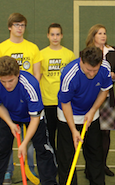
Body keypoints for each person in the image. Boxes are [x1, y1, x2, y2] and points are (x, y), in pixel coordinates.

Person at [0, 56, 59, 185]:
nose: (7, 85)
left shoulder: (30, 84)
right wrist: (10, 123)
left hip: (32, 116)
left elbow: (35, 118)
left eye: (11, 81)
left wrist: (24, 143)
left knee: (43, 148)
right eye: (3, 81)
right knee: (0, 149)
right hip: (10, 114)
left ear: (18, 75)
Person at [57, 47, 114, 185]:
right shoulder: (69, 74)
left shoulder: (104, 68)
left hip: (91, 113)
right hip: (68, 115)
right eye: (89, 70)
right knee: (67, 155)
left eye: (95, 70)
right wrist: (73, 129)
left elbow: (105, 90)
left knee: (95, 150)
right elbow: (65, 103)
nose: (92, 73)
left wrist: (93, 110)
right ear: (81, 61)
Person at [0, 13, 42, 185]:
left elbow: (36, 74)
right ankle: (7, 172)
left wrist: (28, 94)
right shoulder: (0, 48)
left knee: (30, 141)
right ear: (10, 27)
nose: (20, 28)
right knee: (6, 139)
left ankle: (30, 170)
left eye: (23, 25)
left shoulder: (32, 47)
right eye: (16, 25)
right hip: (8, 103)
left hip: (26, 99)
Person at [86, 24, 115, 177]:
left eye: (105, 33)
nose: (103, 36)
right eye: (100, 33)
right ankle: (90, 167)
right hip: (90, 99)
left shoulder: (112, 52)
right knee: (91, 133)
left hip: (107, 98)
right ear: (93, 36)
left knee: (105, 133)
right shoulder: (86, 53)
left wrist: (114, 76)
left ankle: (103, 165)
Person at [39, 22, 75, 157]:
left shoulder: (69, 54)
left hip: (64, 103)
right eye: (52, 34)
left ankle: (63, 163)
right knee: (49, 136)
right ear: (48, 36)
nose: (55, 37)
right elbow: (38, 77)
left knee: (64, 136)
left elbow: (72, 79)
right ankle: (51, 162)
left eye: (57, 34)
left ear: (62, 36)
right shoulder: (41, 54)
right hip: (47, 102)